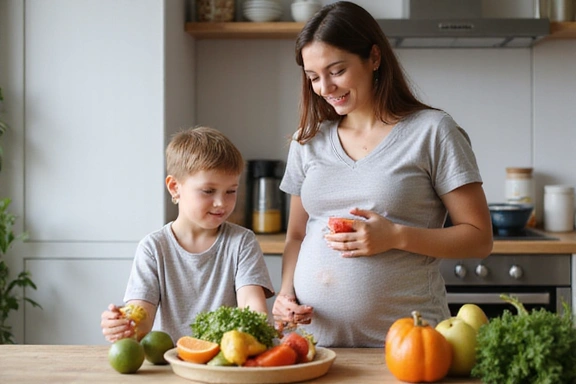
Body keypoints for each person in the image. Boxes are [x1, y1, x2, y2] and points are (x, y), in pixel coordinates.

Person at [272, 1, 493, 348]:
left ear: (374, 57)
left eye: (337, 71)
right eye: (313, 77)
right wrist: (286, 294)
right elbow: (297, 236)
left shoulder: (432, 131)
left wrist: (395, 236)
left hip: (410, 348)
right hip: (315, 347)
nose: (325, 88)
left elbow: (480, 238)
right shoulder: (307, 141)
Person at [101, 126, 274, 342]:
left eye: (231, 190)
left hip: (229, 364)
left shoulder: (242, 242)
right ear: (175, 187)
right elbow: (142, 317)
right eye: (208, 191)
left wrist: (262, 327)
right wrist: (124, 324)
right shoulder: (154, 248)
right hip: (172, 365)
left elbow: (252, 303)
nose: (221, 202)